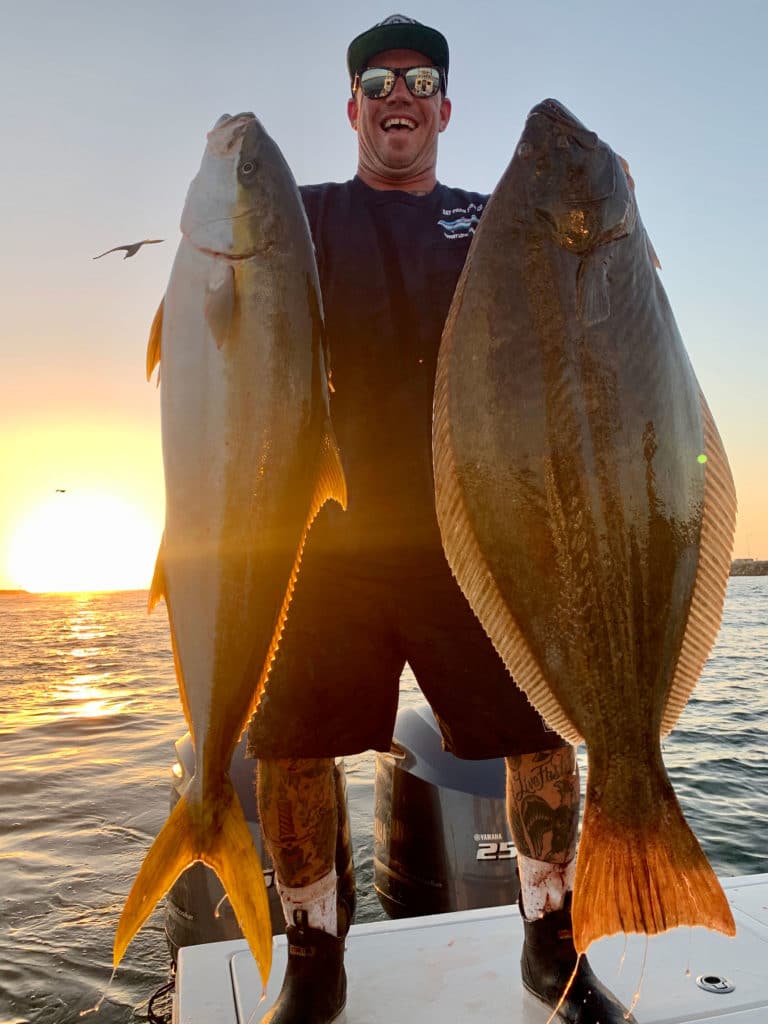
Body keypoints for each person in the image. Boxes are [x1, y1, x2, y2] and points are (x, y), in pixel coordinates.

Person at [247, 15, 636, 1024]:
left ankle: (553, 952)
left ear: (445, 107)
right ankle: (316, 963)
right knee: (290, 746)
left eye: (418, 79)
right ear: (354, 110)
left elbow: (579, 314)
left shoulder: (493, 219)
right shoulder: (305, 213)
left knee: (542, 734)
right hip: (329, 537)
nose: (397, 95)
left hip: (482, 533)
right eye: (376, 83)